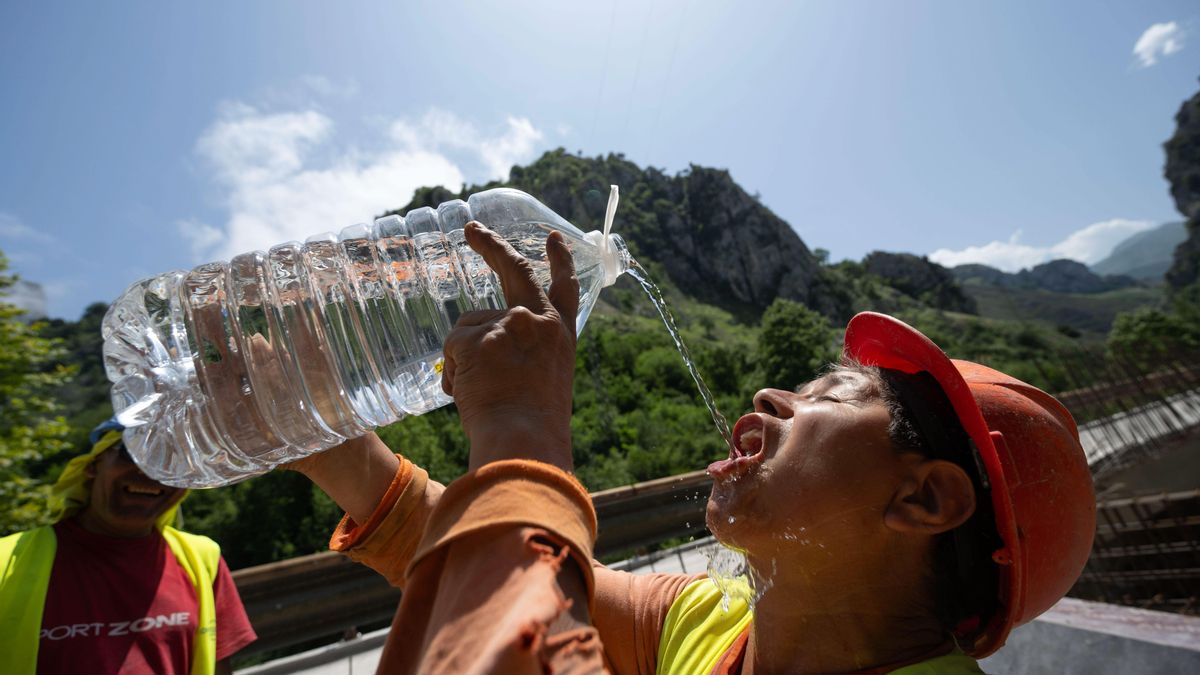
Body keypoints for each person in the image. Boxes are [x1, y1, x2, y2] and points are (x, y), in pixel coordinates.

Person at [292, 222, 1095, 673]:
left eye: (831, 393)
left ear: (924, 497)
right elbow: (515, 575)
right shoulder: (711, 624)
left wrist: (519, 434)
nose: (769, 395)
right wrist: (327, 439)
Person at [0, 418, 257, 674]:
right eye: (132, 452)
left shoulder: (203, 559)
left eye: (173, 460)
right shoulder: (6, 562)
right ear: (94, 464)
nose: (150, 472)